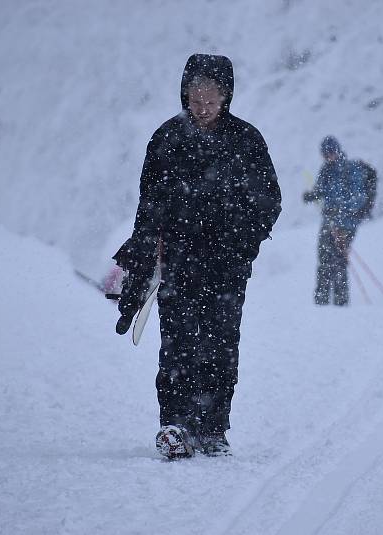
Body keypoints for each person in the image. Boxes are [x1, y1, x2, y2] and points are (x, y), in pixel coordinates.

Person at [113, 54, 281, 459]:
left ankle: (213, 428)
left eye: (211, 100)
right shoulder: (166, 139)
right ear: (184, 94)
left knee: (220, 344)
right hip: (179, 262)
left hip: (227, 267)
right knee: (178, 344)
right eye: (195, 99)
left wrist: (242, 247)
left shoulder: (246, 140)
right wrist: (140, 261)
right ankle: (175, 426)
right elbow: (148, 206)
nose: (202, 108)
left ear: (226, 97)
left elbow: (268, 202)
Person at [303, 136, 368, 306]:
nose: (328, 156)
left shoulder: (351, 169)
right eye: (325, 154)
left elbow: (359, 197)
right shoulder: (326, 170)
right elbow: (321, 190)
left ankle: (341, 303)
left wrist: (340, 208)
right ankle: (321, 302)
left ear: (337, 151)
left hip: (346, 224)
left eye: (330, 152)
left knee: (339, 261)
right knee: (324, 260)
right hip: (328, 222)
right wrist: (312, 195)